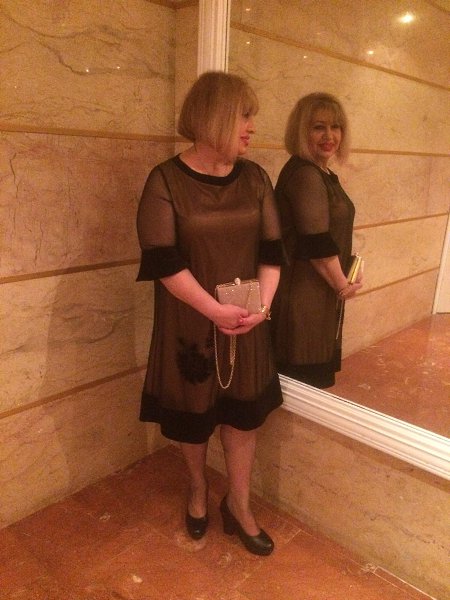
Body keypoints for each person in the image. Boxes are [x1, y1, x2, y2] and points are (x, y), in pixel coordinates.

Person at [136, 71, 284, 555]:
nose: (251, 127)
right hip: (190, 322)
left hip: (246, 323)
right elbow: (162, 260)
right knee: (194, 417)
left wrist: (261, 308)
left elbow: (272, 251)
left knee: (243, 418)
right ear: (215, 115)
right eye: (244, 115)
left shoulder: (256, 178)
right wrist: (213, 310)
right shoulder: (165, 180)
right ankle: (198, 490)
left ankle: (238, 505)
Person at [271, 92, 362, 389]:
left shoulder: (321, 173)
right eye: (318, 127)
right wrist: (342, 284)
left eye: (336, 127)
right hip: (304, 294)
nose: (329, 136)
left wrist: (350, 268)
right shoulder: (306, 175)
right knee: (302, 385)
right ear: (301, 131)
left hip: (318, 291)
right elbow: (317, 244)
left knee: (309, 380)